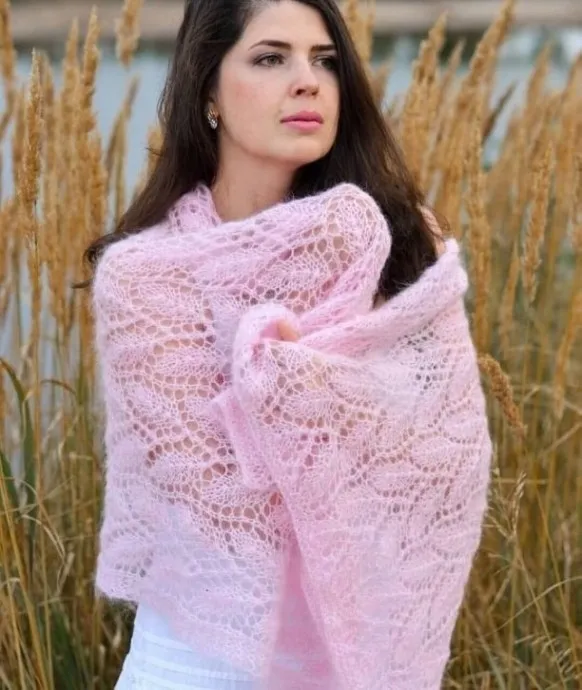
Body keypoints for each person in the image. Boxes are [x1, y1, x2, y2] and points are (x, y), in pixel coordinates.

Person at [85, 1, 492, 688]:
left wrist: (282, 382)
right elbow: (217, 503)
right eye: (271, 58)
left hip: (350, 657)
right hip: (195, 662)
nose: (307, 81)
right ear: (209, 91)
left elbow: (450, 454)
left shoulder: (397, 243)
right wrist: (310, 386)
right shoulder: (145, 278)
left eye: (324, 62)